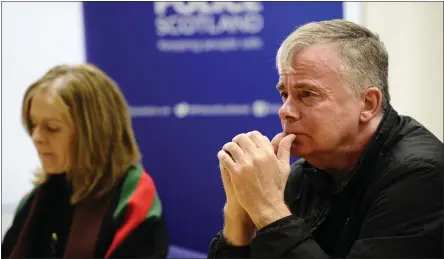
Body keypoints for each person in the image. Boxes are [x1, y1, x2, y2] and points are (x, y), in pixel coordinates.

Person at [208, 19, 443, 258]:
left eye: (307, 94)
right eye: (284, 94)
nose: (285, 110)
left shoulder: (421, 174)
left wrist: (269, 210)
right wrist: (239, 215)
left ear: (368, 104)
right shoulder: (305, 172)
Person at [2, 64, 169, 258]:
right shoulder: (35, 199)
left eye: (52, 127)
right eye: (33, 124)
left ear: (94, 134)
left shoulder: (133, 201)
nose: (36, 137)